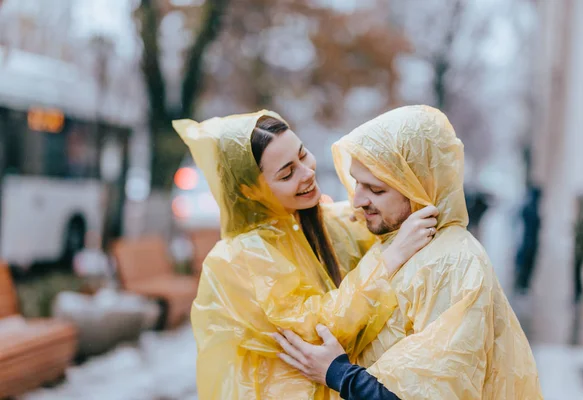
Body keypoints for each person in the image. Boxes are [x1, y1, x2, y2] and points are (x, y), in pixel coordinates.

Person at [274, 105, 543, 400]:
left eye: (376, 190)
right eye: (357, 183)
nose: (358, 201)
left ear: (419, 188)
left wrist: (337, 372)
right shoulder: (402, 240)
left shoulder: (451, 264)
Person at [172, 110, 438, 399]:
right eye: (287, 173)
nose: (307, 172)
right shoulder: (237, 259)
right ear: (250, 190)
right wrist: (389, 259)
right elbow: (316, 331)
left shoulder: (326, 221)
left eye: (303, 154)